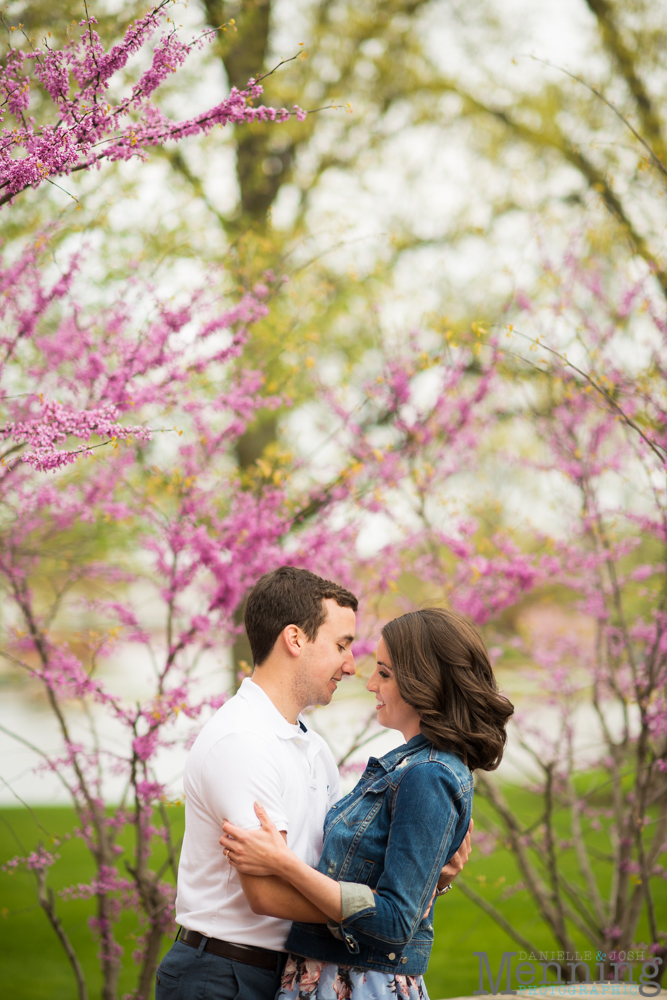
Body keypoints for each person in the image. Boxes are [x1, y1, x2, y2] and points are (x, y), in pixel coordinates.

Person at [156, 568, 471, 1000]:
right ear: (295, 639)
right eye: (341, 645)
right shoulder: (243, 741)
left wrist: (421, 885)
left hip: (288, 971)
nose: (350, 665)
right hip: (227, 974)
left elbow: (338, 865)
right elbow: (268, 892)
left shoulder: (312, 748)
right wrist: (387, 914)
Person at [220, 606, 514, 1000]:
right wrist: (436, 883)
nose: (370, 682)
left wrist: (283, 863)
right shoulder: (409, 765)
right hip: (334, 974)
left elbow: (394, 921)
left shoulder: (429, 774)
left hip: (358, 983)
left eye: (386, 673)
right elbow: (397, 892)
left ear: (425, 681)